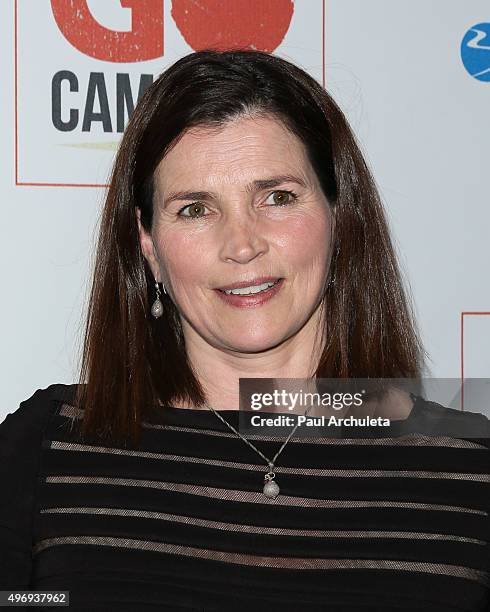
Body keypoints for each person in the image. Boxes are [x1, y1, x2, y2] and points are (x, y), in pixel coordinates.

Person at [0, 50, 488, 611]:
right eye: (195, 209)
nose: (242, 244)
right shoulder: (48, 449)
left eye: (277, 197)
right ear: (148, 244)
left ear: (339, 215)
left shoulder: (471, 461)